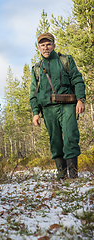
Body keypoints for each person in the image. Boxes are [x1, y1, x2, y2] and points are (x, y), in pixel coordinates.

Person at [30, 32, 86, 179]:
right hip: (48, 109)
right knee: (55, 141)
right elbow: (33, 94)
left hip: (67, 105)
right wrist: (36, 112)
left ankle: (73, 175)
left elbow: (77, 79)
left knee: (70, 137)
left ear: (54, 45)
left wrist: (81, 99)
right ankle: (61, 175)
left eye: (48, 44)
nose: (45, 48)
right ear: (38, 48)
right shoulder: (37, 68)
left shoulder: (65, 60)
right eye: (42, 45)